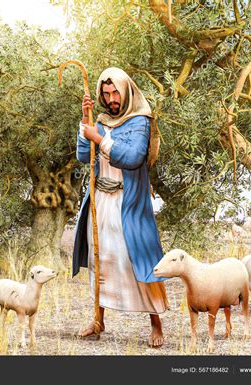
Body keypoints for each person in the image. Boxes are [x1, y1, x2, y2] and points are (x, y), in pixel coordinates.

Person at [72, 67, 169, 348]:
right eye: (106, 94)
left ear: (126, 91)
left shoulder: (140, 120)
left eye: (115, 92)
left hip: (129, 204)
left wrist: (99, 138)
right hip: (100, 202)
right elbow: (82, 155)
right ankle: (98, 321)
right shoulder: (101, 120)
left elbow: (134, 156)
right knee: (101, 260)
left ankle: (156, 322)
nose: (112, 98)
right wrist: (86, 122)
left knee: (137, 259)